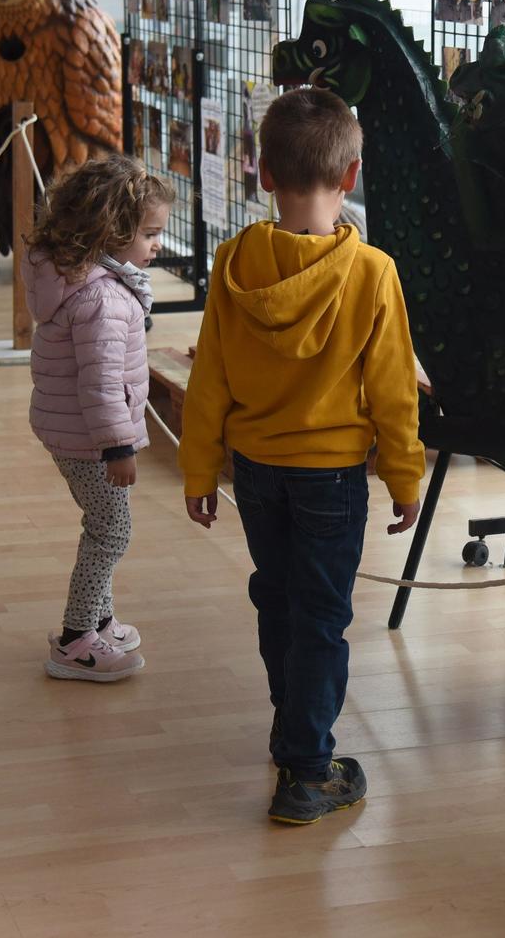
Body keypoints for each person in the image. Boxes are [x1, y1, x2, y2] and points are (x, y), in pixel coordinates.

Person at [179, 88, 425, 825]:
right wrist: (406, 475)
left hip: (254, 470)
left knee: (278, 596)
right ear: (350, 176)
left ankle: (295, 729)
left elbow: (209, 377)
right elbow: (392, 393)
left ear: (261, 173)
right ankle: (308, 770)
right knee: (320, 615)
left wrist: (198, 470)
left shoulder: (232, 262)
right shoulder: (372, 272)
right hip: (333, 477)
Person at [24, 155, 172, 680]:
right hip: (91, 438)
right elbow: (102, 382)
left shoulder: (76, 277)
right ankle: (76, 638)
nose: (159, 245)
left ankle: (99, 621)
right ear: (111, 230)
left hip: (67, 427)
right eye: (151, 234)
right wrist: (118, 447)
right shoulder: (105, 299)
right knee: (111, 531)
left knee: (106, 524)